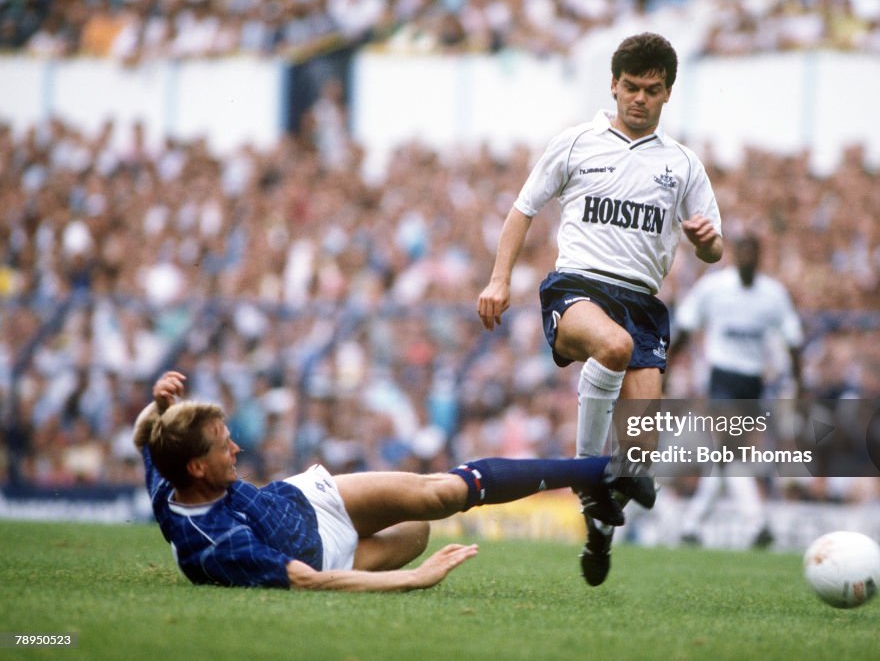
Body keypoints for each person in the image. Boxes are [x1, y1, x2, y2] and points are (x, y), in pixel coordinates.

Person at [477, 32, 723, 586]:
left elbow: (714, 247)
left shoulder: (683, 166)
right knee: (612, 347)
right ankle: (590, 476)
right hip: (577, 289)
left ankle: (599, 531)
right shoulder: (575, 144)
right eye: (630, 87)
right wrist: (498, 279)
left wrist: (706, 239)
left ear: (667, 95)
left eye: (651, 90)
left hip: (643, 302)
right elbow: (522, 211)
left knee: (640, 458)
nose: (638, 98)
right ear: (613, 85)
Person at [134, 371, 646, 592]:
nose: (236, 448)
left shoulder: (169, 477)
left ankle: (602, 471)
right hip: (325, 556)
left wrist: (158, 404)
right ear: (197, 468)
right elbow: (309, 581)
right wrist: (414, 578)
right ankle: (600, 480)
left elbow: (145, 438)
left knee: (439, 494)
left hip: (305, 501)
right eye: (224, 444)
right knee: (417, 534)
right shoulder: (218, 543)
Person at [671, 233, 804, 548]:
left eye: (752, 254)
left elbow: (793, 339)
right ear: (733, 255)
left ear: (759, 257)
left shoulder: (773, 294)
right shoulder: (714, 288)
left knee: (728, 456)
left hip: (752, 383)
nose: (746, 259)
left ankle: (692, 524)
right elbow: (686, 326)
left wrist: (799, 383)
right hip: (722, 378)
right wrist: (667, 368)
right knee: (729, 446)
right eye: (741, 253)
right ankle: (755, 522)